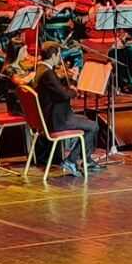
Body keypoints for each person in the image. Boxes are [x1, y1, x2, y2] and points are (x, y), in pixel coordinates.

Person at [33, 42, 104, 174]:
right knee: (93, 126)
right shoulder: (48, 74)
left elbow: (56, 90)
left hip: (51, 116)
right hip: (58, 120)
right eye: (59, 55)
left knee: (85, 120)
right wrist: (74, 87)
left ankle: (86, 160)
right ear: (53, 55)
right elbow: (64, 95)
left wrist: (67, 83)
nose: (60, 59)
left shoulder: (41, 69)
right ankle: (72, 160)